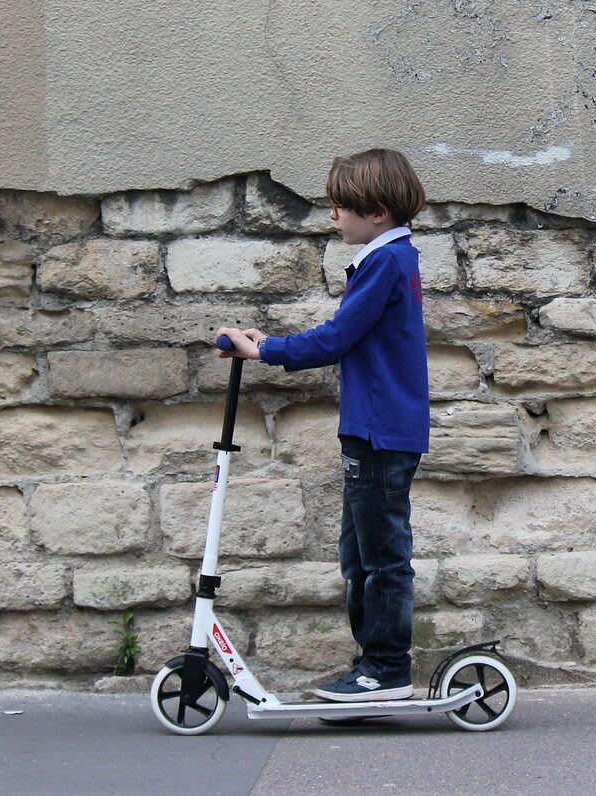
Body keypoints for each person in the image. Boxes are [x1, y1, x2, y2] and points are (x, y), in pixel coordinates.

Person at [215, 148, 429, 702]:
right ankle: (372, 665)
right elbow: (345, 335)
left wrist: (265, 351)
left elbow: (337, 338)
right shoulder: (389, 258)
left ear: (377, 212)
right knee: (358, 555)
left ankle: (385, 670)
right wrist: (268, 345)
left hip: (380, 430)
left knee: (381, 556)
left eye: (341, 207)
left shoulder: (386, 261)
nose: (333, 217)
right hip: (371, 427)